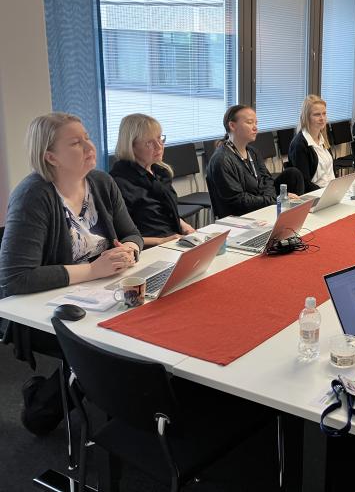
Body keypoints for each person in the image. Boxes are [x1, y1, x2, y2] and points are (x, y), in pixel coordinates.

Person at [0, 112, 143, 435]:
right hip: (48, 307)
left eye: (88, 138)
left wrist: (129, 251)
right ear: (50, 156)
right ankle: (42, 407)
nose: (90, 147)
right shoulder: (34, 195)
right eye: (76, 143)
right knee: (114, 347)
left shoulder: (102, 183)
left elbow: (133, 234)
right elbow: (15, 278)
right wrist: (93, 269)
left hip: (107, 289)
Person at [110, 113, 196, 247]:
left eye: (160, 138)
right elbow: (120, 237)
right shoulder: (119, 182)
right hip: (147, 249)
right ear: (131, 146)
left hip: (173, 240)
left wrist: (185, 226)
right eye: (149, 143)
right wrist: (161, 241)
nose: (159, 146)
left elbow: (167, 212)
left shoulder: (160, 172)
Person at [206, 105, 304, 217]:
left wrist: (272, 199)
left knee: (293, 174)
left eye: (256, 123)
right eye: (249, 122)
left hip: (260, 202)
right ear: (232, 126)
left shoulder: (252, 152)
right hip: (239, 214)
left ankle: (295, 217)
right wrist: (273, 201)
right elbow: (237, 200)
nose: (255, 127)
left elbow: (267, 179)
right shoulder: (221, 159)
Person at [288, 95, 335, 192]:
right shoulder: (299, 145)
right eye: (317, 114)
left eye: (324, 113)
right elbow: (304, 183)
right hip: (315, 195)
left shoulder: (323, 138)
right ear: (307, 117)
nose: (322, 118)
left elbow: (330, 172)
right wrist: (325, 192)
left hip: (330, 191)